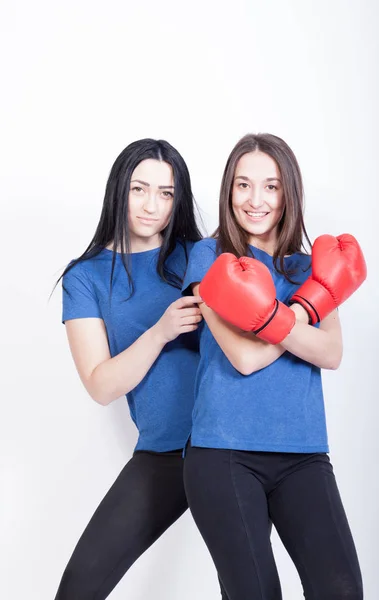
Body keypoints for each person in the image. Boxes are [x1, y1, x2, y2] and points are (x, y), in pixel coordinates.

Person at [182, 133, 365, 600]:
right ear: (228, 192)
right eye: (243, 185)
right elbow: (244, 358)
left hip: (303, 454)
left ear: (289, 193)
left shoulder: (312, 267)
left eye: (271, 186)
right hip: (223, 454)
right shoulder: (209, 258)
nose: (255, 200)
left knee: (341, 590)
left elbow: (331, 353)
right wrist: (309, 308)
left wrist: (280, 313)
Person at [54, 139, 227, 599]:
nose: (153, 205)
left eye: (167, 193)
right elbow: (100, 384)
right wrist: (160, 331)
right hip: (164, 452)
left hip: (230, 446)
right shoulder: (85, 277)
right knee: (78, 588)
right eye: (140, 189)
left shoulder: (200, 255)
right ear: (119, 190)